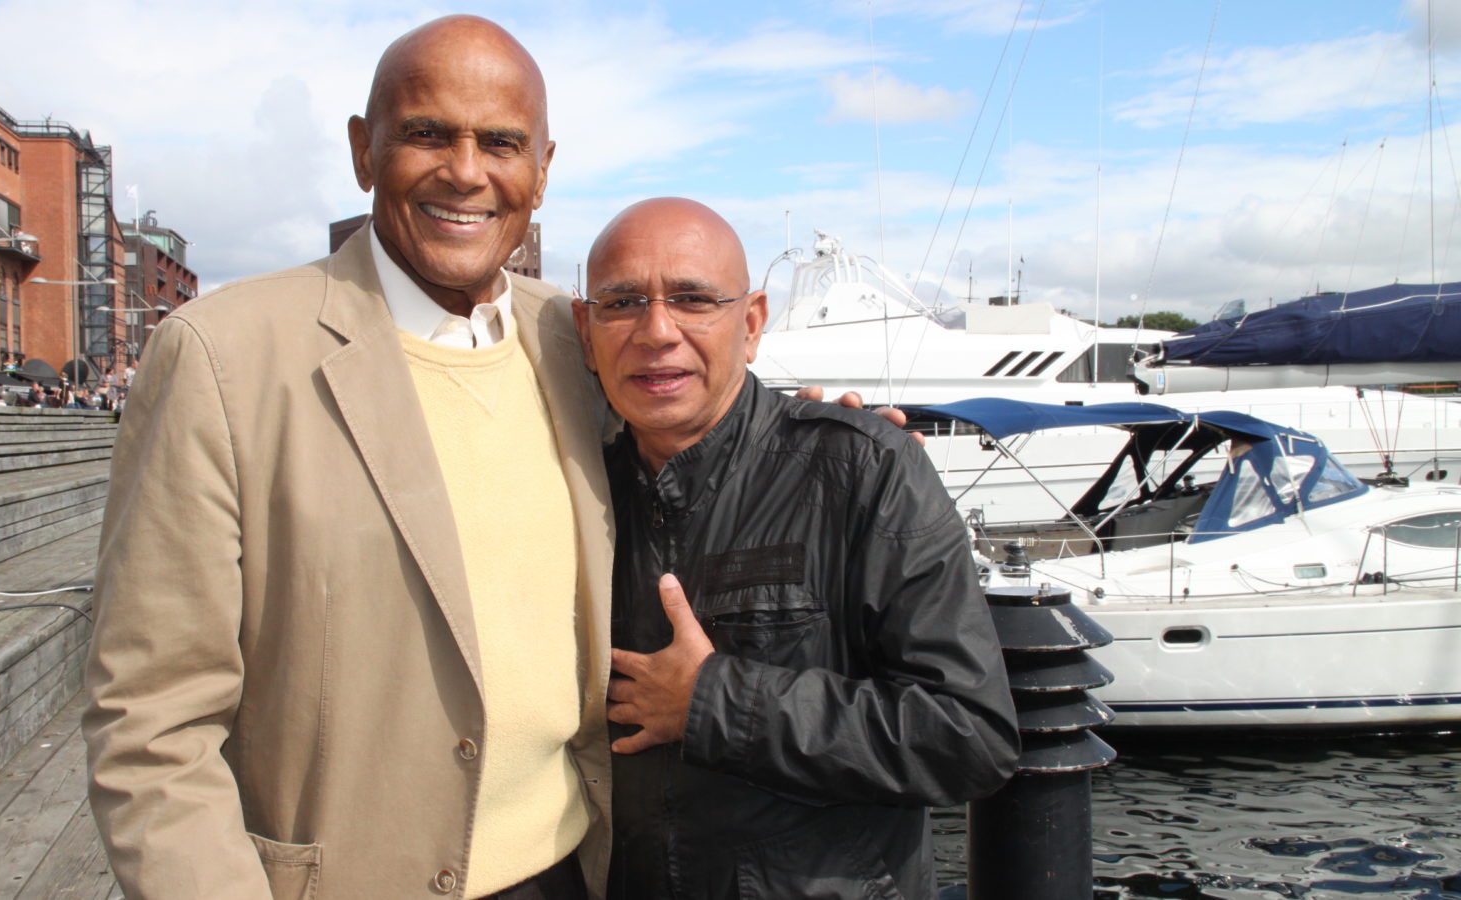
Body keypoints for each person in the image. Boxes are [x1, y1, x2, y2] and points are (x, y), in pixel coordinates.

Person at [84, 15, 615, 900]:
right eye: (426, 134)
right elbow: (151, 720)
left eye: (502, 142)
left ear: (544, 169)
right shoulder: (222, 355)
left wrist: (840, 442)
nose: (467, 171)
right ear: (364, 153)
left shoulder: (571, 337)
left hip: (570, 874)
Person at [572, 198, 1020, 899]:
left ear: (750, 324)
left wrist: (713, 702)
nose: (657, 331)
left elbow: (967, 735)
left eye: (692, 299)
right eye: (623, 302)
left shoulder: (867, 471)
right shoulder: (572, 492)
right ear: (585, 328)